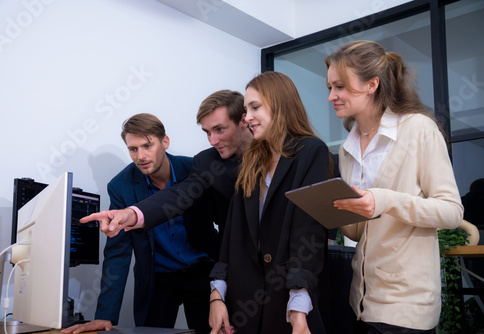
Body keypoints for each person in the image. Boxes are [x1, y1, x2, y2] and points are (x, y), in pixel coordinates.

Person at [325, 40, 464, 333]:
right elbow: (360, 230)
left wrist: (383, 199)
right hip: (361, 301)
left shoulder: (418, 129)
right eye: (330, 88)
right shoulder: (348, 146)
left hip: (406, 305)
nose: (331, 96)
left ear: (371, 84)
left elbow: (451, 211)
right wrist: (336, 210)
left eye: (340, 87)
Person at [62, 113, 217, 334]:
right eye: (133, 149)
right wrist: (105, 315)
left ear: (165, 142)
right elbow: (118, 254)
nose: (141, 156)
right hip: (159, 279)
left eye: (147, 145)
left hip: (205, 272)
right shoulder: (121, 186)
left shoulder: (194, 168)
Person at [208, 71, 331, 334]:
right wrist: (216, 296)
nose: (247, 117)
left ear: (280, 104)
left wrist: (299, 307)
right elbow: (231, 234)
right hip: (242, 306)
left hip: (286, 301)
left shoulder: (311, 151)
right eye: (245, 110)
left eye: (255, 107)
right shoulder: (251, 160)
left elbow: (308, 232)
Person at [80, 89, 253, 248]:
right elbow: (177, 196)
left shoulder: (278, 153)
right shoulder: (206, 161)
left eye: (219, 129)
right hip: (237, 268)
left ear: (244, 120)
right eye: (207, 132)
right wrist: (130, 214)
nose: (212, 141)